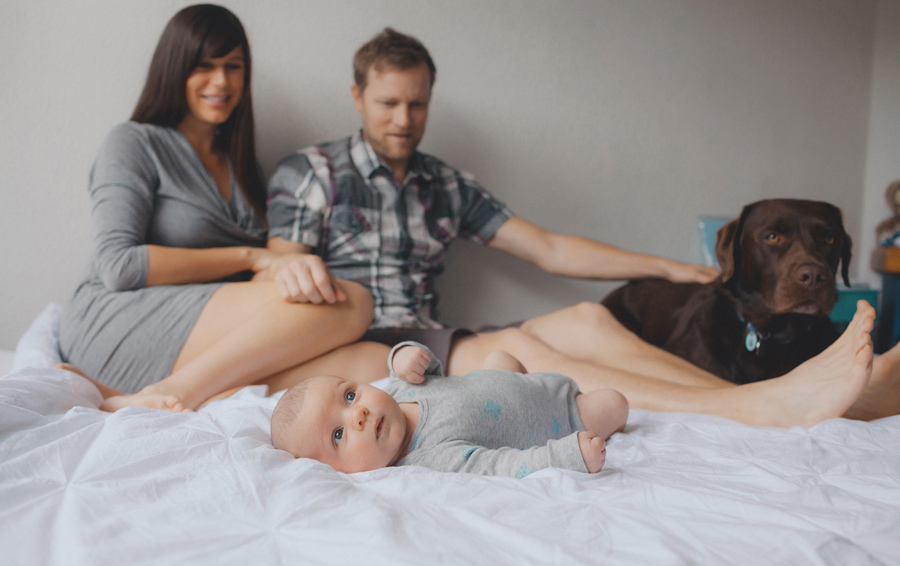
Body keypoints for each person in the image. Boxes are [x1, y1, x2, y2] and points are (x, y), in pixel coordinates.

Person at [260, 27, 897, 427]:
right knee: (533, 353)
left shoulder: (443, 184)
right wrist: (284, 260)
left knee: (591, 321)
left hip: (437, 333)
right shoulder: (311, 172)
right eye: (388, 103)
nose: (404, 118)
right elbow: (284, 267)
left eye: (417, 103)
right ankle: (759, 408)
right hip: (372, 341)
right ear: (356, 98)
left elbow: (552, 248)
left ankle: (792, 396)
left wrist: (670, 266)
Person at [57, 5, 389, 413]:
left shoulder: (244, 167)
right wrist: (255, 256)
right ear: (174, 69)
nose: (221, 81)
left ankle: (168, 396)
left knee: (371, 361)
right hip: (118, 319)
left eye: (233, 66)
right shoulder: (133, 142)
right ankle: (178, 392)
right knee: (351, 300)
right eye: (205, 66)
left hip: (202, 334)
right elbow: (119, 266)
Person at [271, 342, 628, 476]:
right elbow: (500, 466)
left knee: (499, 356)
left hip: (503, 380)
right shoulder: (429, 458)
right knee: (614, 404)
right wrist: (566, 455)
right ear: (340, 472)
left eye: (349, 396)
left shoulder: (395, 389)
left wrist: (403, 355)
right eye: (339, 434)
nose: (358, 414)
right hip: (561, 416)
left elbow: (428, 371)